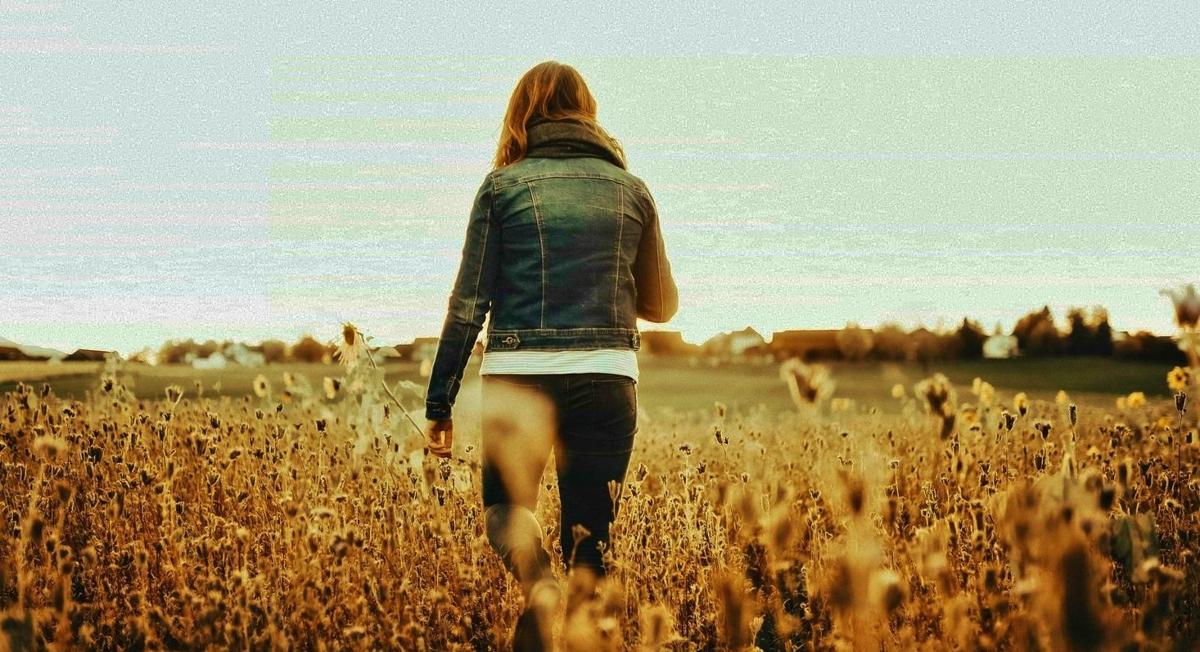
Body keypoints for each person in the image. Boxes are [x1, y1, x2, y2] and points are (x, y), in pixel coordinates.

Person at [422, 60, 678, 650]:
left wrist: (440, 404)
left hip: (519, 378)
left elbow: (468, 306)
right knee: (593, 539)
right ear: (587, 112)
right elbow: (662, 305)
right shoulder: (632, 190)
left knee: (505, 512)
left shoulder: (502, 186)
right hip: (608, 377)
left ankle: (541, 591)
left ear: (522, 113)